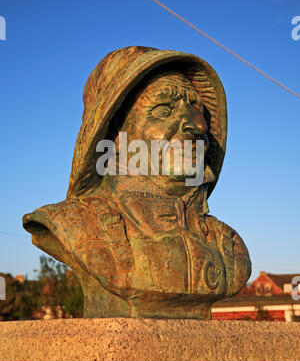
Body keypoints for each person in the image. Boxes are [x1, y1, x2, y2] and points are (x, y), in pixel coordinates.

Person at [23, 46, 251, 319]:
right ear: (114, 135)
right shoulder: (74, 223)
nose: (198, 126)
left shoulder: (229, 245)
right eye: (164, 110)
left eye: (198, 111)